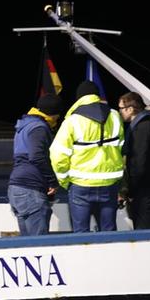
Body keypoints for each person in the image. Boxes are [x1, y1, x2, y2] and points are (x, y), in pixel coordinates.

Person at [50, 81, 125, 232]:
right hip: (109, 184)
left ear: (79, 98)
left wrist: (65, 181)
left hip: (80, 184)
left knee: (80, 233)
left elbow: (58, 155)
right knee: (109, 231)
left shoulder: (72, 121)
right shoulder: (115, 116)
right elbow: (121, 146)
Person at [7, 93, 64, 236]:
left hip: (16, 188)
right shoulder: (39, 127)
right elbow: (37, 156)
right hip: (30, 190)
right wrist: (52, 181)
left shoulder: (24, 126)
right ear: (53, 114)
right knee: (39, 243)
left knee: (27, 245)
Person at [117, 93, 150, 229]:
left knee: (143, 229)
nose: (120, 112)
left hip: (144, 190)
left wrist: (131, 190)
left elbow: (138, 161)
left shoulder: (141, 128)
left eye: (121, 108)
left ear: (130, 108)